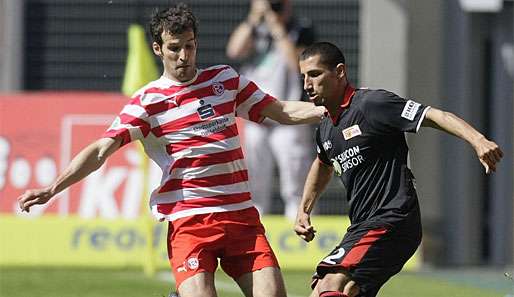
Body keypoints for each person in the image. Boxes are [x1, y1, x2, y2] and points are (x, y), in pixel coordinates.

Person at [17, 4, 325, 297]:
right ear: (158, 49)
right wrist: (52, 189)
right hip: (190, 221)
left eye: (189, 46)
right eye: (174, 48)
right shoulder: (147, 102)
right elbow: (100, 151)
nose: (183, 56)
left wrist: (333, 110)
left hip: (240, 218)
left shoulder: (224, 81)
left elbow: (282, 110)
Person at [293, 42, 504, 297]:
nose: (307, 84)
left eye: (314, 74)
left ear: (339, 72)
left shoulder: (372, 104)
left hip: (393, 218)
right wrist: (303, 210)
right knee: (329, 291)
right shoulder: (325, 128)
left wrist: (478, 140)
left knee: (331, 284)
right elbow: (323, 164)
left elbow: (434, 115)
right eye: (303, 76)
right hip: (364, 224)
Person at [226, 0, 315, 219]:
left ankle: (299, 223)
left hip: (289, 115)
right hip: (256, 116)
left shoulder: (301, 29)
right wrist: (254, 18)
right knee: (254, 181)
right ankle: (256, 227)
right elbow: (234, 51)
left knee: (295, 179)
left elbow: (298, 64)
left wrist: (277, 28)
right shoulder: (254, 29)